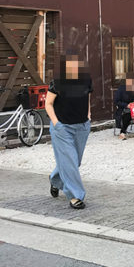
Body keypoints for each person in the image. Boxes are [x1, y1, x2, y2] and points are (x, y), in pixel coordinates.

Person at [45, 54, 92, 210]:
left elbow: (88, 98)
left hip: (81, 127)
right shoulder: (58, 82)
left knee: (74, 161)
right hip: (62, 128)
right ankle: (75, 196)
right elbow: (48, 104)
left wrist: (88, 116)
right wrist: (56, 124)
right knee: (70, 161)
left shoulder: (86, 79)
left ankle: (55, 180)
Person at [114, 75, 134, 140]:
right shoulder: (121, 89)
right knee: (128, 114)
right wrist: (126, 105)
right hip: (124, 108)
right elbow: (116, 101)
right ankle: (122, 132)